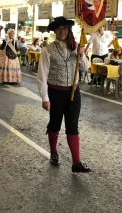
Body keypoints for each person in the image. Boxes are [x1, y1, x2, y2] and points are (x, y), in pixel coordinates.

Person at [37, 16, 91, 173]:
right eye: (59, 29)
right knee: (55, 123)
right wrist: (45, 98)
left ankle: (76, 162)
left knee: (72, 125)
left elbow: (85, 68)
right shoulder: (48, 50)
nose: (62, 31)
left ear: (69, 31)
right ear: (55, 31)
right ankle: (54, 152)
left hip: (74, 91)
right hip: (55, 93)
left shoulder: (75, 47)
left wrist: (82, 55)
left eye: (65, 29)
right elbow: (42, 76)